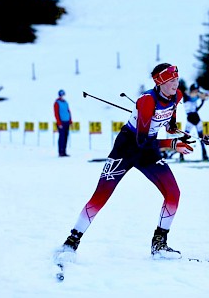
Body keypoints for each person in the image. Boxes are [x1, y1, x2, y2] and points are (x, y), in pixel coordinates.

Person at [58, 63, 194, 260]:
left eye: (177, 79)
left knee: (173, 193)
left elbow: (170, 116)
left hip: (148, 151)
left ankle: (159, 243)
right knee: (101, 195)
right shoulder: (146, 102)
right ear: (160, 82)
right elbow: (141, 140)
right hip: (127, 147)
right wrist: (172, 144)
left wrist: (173, 128)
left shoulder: (177, 95)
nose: (176, 83)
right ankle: (71, 241)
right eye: (171, 80)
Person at [180, 83, 209, 161]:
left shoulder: (193, 97)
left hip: (196, 117)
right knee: (185, 137)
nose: (196, 91)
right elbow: (192, 98)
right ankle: (181, 155)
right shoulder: (187, 96)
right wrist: (200, 96)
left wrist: (202, 101)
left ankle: (205, 154)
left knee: (202, 137)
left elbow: (196, 109)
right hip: (190, 118)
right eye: (195, 90)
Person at [54, 89, 72, 157]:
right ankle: (60, 152)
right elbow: (56, 113)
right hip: (61, 123)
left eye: (63, 95)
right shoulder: (57, 103)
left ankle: (64, 151)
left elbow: (68, 111)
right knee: (62, 137)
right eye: (61, 95)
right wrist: (59, 123)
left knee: (66, 137)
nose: (62, 96)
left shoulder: (66, 102)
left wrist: (70, 120)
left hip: (67, 121)